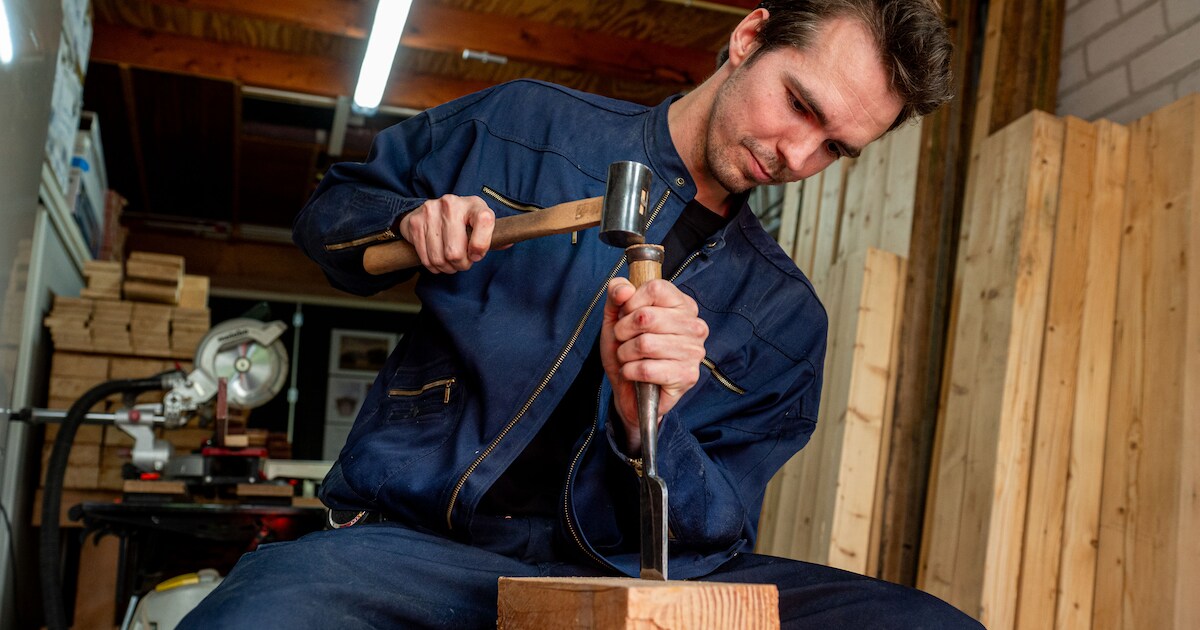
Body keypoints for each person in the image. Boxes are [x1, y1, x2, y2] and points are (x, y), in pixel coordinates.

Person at [181, 1, 977, 627]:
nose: (798, 158)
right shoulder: (526, 128)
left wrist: (646, 430)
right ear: (748, 37)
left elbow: (720, 530)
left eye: (836, 148)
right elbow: (329, 214)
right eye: (800, 106)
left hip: (626, 569)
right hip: (421, 550)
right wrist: (402, 226)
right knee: (255, 613)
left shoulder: (786, 318)